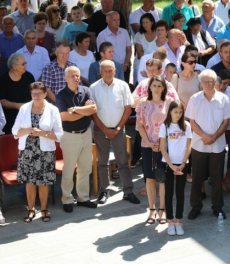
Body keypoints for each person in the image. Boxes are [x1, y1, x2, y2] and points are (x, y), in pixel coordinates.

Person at [186, 69, 230, 220]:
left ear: (215, 82)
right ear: (200, 83)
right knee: (197, 178)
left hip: (217, 145)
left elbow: (226, 121)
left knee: (216, 177)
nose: (207, 84)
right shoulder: (194, 99)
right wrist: (204, 136)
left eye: (210, 81)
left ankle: (218, 207)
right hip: (199, 144)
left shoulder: (223, 99)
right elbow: (191, 121)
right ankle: (195, 206)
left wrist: (214, 137)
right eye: (204, 81)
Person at [13, 82, 63, 223]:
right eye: (33, 94)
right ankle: (30, 209)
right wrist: (28, 130)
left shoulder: (53, 110)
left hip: (45, 151)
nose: (36, 96)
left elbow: (59, 135)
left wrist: (43, 133)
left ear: (45, 94)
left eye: (39, 94)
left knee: (43, 182)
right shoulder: (24, 108)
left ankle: (44, 209)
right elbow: (14, 131)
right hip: (27, 150)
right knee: (30, 182)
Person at [90, 60, 138, 205]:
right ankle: (105, 191)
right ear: (100, 71)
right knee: (102, 162)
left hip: (119, 129)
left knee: (122, 161)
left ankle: (128, 191)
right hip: (100, 130)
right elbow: (93, 113)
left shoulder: (122, 86)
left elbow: (128, 109)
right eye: (105, 70)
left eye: (110, 70)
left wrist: (117, 128)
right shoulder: (93, 88)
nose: (108, 73)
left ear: (115, 71)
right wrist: (105, 130)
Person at [56, 66, 98, 213]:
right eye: (73, 76)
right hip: (70, 135)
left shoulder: (85, 90)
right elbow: (64, 116)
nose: (76, 78)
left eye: (78, 75)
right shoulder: (61, 95)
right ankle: (67, 199)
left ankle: (83, 198)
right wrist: (84, 111)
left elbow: (93, 109)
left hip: (86, 133)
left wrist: (74, 109)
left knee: (85, 168)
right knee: (69, 169)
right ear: (65, 78)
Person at [137, 75, 173, 224]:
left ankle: (162, 210)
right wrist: (149, 142)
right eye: (154, 85)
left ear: (164, 87)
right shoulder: (143, 103)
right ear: (149, 87)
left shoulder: (170, 102)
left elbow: (173, 125)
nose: (157, 88)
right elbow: (140, 125)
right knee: (150, 179)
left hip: (164, 147)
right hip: (148, 146)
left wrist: (162, 144)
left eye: (159, 85)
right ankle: (151, 210)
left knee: (163, 179)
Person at [160, 100, 192, 236]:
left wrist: (183, 163)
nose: (178, 115)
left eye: (180, 112)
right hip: (169, 164)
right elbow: (162, 147)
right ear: (170, 112)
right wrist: (171, 165)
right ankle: (170, 221)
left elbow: (189, 146)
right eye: (175, 112)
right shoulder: (165, 126)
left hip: (182, 164)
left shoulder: (186, 126)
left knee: (180, 193)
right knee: (169, 193)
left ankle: (178, 221)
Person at [0, 53, 35, 134]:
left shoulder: (29, 77)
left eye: (25, 63)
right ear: (14, 67)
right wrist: (17, 105)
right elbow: (1, 100)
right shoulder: (3, 80)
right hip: (9, 118)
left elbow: (35, 93)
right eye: (23, 64)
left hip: (27, 116)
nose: (25, 66)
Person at [96, 11, 132, 82]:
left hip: (125, 67)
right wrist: (117, 66)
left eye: (118, 20)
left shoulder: (124, 32)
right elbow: (102, 54)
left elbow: (129, 49)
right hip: (110, 69)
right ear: (107, 21)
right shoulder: (102, 35)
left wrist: (125, 64)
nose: (117, 22)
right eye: (114, 20)